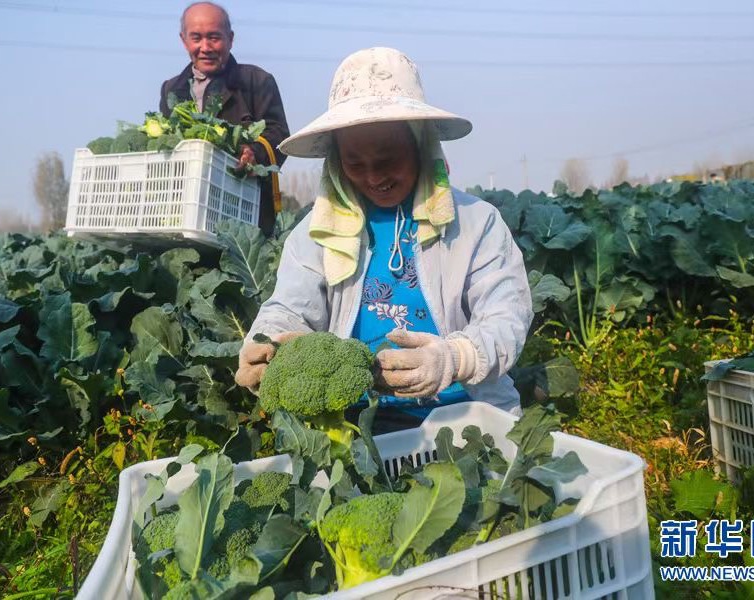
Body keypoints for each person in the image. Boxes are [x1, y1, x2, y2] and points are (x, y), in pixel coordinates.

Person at [234, 47, 533, 431]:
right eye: (355, 163)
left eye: (388, 158)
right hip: (359, 420)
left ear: (421, 148)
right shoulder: (316, 233)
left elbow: (506, 317)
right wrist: (266, 339)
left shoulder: (477, 222)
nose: (374, 177)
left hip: (467, 414)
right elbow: (291, 306)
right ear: (336, 165)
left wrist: (454, 358)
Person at [160, 1, 290, 235]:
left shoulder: (256, 81)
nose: (205, 47)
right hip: (189, 213)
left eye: (214, 37)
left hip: (245, 213)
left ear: (230, 38)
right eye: (196, 38)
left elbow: (280, 135)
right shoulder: (171, 90)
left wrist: (254, 152)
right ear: (183, 40)